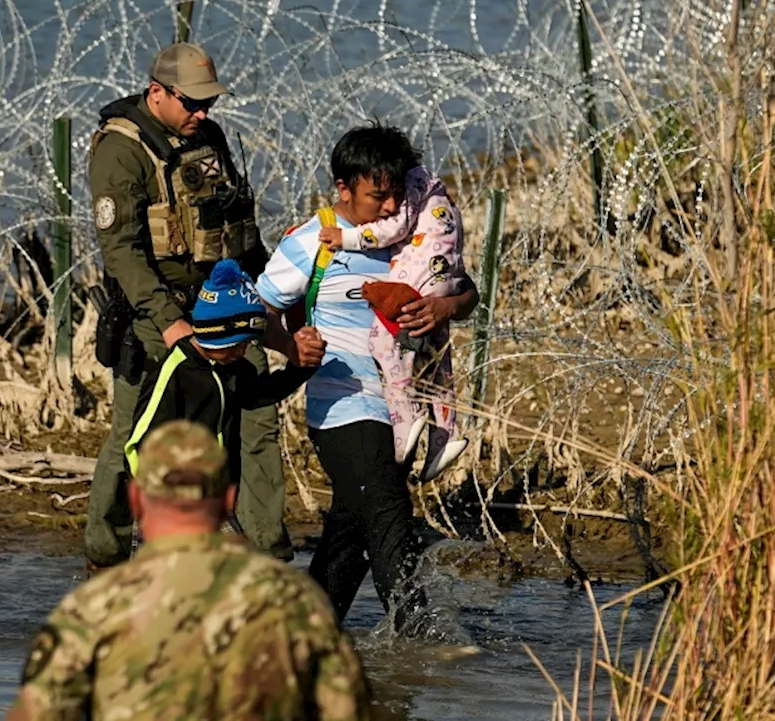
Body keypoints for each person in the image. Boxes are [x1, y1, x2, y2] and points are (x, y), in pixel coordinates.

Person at [85, 41, 325, 573]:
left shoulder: (207, 137)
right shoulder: (120, 150)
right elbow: (121, 252)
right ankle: (106, 551)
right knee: (137, 431)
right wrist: (169, 324)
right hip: (156, 315)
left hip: (227, 302)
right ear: (157, 93)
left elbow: (235, 225)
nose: (202, 113)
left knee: (257, 415)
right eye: (192, 103)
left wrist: (274, 292)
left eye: (208, 103)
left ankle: (267, 550)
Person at [253, 122, 479, 633]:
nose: (387, 207)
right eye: (377, 195)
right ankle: (420, 634)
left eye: (397, 193)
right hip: (342, 400)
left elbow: (467, 293)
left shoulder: (413, 230)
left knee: (352, 526)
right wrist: (289, 345)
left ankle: (303, 634)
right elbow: (255, 310)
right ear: (344, 189)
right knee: (386, 505)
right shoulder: (312, 241)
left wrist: (444, 307)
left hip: (404, 406)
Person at [6, 420, 376, 721]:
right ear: (229, 500)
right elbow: (348, 709)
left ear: (136, 498)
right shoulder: (298, 602)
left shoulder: (93, 607)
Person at [123, 259, 321, 549]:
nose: (245, 351)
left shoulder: (231, 367)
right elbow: (137, 444)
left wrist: (301, 369)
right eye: (241, 344)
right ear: (218, 335)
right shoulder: (175, 372)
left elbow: (258, 395)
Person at [316, 164, 469, 479]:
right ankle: (446, 433)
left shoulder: (410, 187)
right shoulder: (437, 192)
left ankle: (406, 415)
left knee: (384, 342)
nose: (389, 203)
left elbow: (392, 229)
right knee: (436, 363)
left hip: (418, 284)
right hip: (444, 280)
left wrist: (344, 237)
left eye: (391, 194)